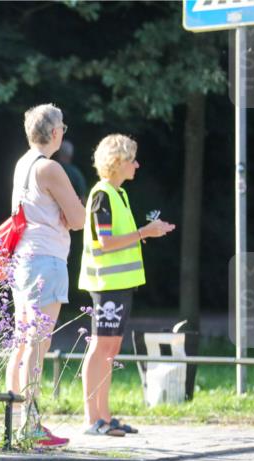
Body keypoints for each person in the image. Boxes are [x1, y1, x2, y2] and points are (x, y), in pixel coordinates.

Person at [79, 134, 175, 436]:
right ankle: (93, 419)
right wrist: (144, 231)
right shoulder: (102, 194)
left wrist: (148, 232)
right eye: (132, 159)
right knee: (101, 348)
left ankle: (104, 417)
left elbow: (117, 239)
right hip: (106, 284)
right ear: (118, 163)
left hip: (119, 285)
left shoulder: (118, 194)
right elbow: (105, 242)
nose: (137, 164)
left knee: (110, 349)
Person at [5, 104, 86, 447]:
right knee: (39, 344)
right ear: (55, 133)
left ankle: (12, 421)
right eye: (63, 127)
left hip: (23, 259)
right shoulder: (51, 168)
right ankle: (31, 425)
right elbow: (80, 218)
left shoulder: (24, 163)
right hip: (47, 260)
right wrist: (71, 211)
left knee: (22, 344)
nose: (63, 132)